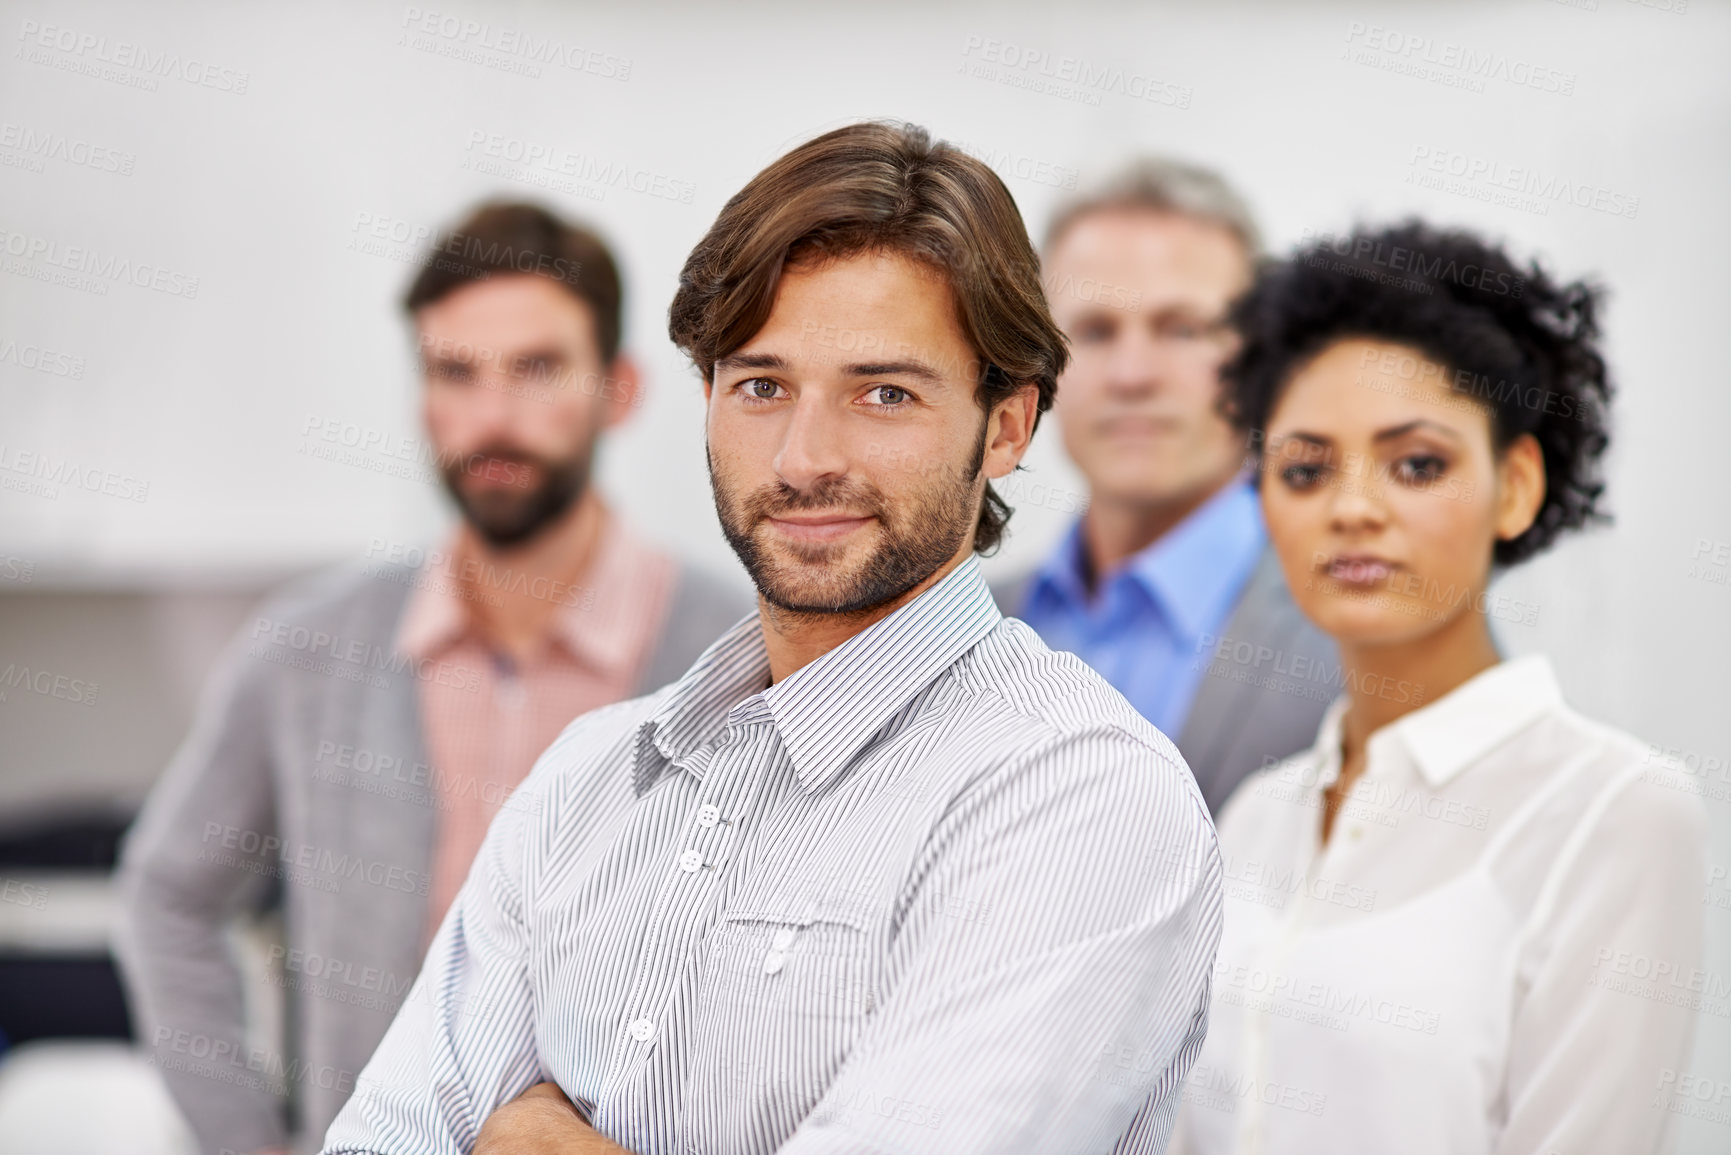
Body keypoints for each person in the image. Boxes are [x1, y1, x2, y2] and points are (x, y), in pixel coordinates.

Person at [322, 121, 1223, 1155]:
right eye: (761, 387)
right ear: (707, 401)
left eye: (884, 393)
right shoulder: (588, 782)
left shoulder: (1080, 799)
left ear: (1008, 426)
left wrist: (542, 1140)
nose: (804, 457)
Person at [114, 202, 750, 1155]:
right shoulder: (310, 649)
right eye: (455, 372)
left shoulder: (735, 654)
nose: (491, 416)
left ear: (617, 390)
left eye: (535, 369)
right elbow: (168, 892)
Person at [1169, 222, 1707, 1153]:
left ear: (1517, 484)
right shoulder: (1256, 812)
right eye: (1304, 469)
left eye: (1416, 463)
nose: (1351, 506)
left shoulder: (1614, 810)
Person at [996, 160, 1334, 816]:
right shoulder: (965, 624)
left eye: (1182, 328)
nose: (1132, 374)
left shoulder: (1361, 627)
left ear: (1261, 354)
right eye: (1093, 331)